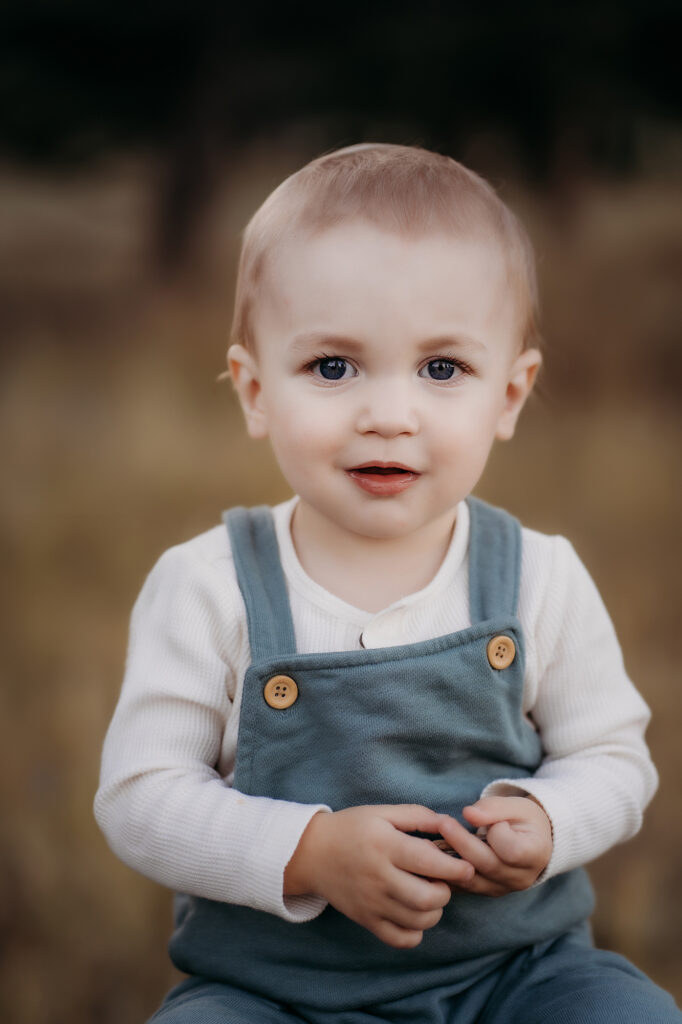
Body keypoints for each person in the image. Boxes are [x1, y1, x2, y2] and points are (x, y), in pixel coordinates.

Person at [95, 144, 680, 1022]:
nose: (389, 414)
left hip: (519, 977)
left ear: (511, 396)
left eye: (443, 369)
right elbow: (142, 797)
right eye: (333, 367)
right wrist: (310, 850)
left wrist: (547, 820)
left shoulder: (538, 577)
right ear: (255, 391)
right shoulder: (208, 587)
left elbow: (614, 760)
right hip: (275, 993)